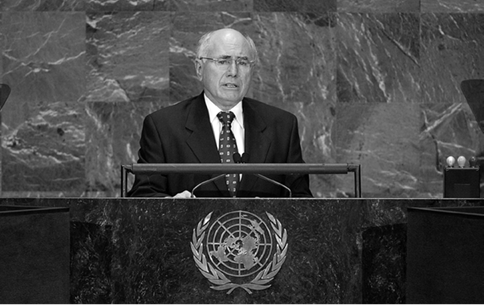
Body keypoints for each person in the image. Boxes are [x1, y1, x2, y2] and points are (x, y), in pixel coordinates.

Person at [128, 28, 312, 198]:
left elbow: (303, 202)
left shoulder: (282, 126)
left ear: (252, 70)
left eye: (242, 62)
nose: (233, 71)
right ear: (199, 69)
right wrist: (172, 207)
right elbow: (143, 196)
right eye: (223, 61)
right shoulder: (163, 127)